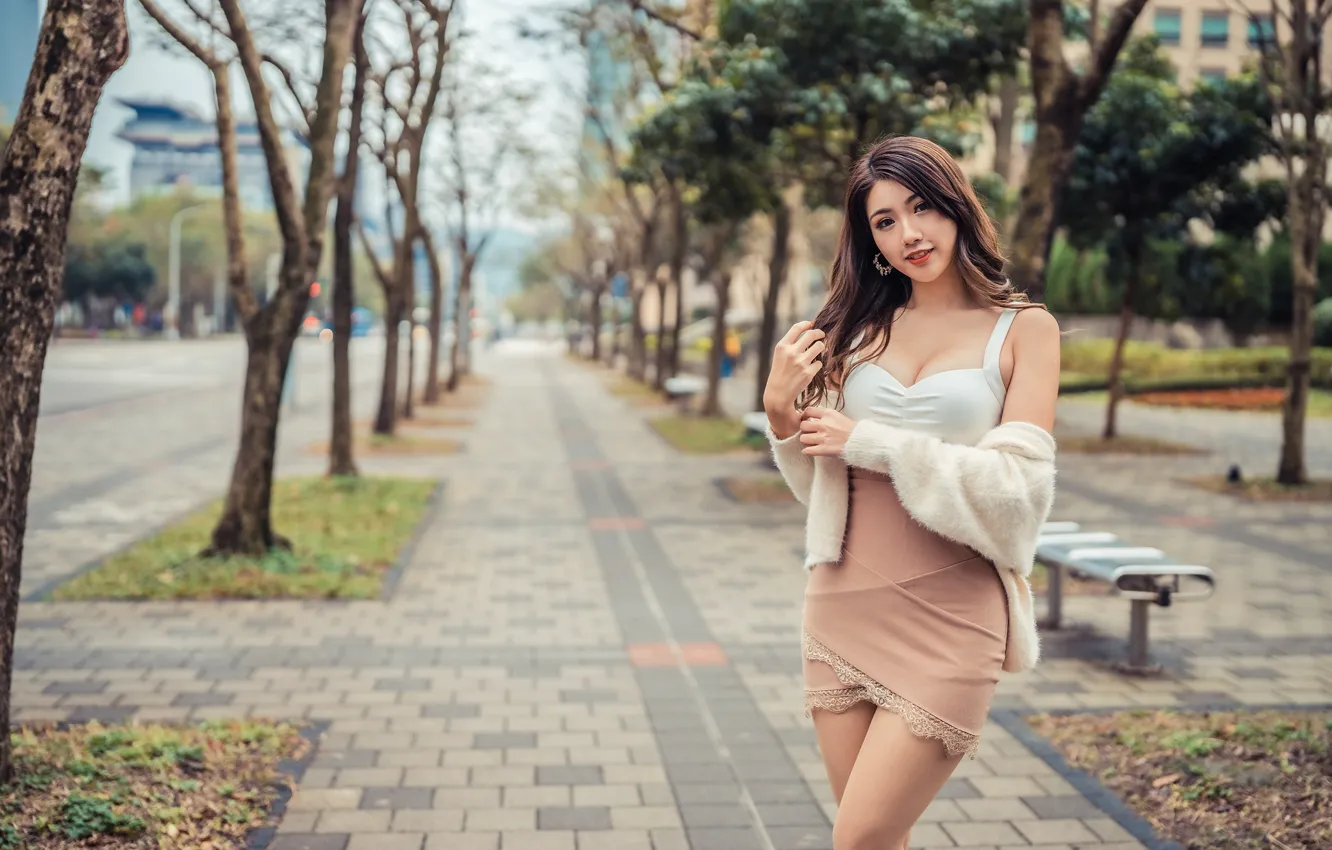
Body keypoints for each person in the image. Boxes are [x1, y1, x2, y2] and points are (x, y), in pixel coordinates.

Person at [762, 135, 1061, 850]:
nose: (908, 234)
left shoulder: (1025, 331)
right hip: (842, 602)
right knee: (875, 842)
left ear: (956, 205)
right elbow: (824, 484)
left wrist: (872, 441)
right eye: (884, 222)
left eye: (920, 207)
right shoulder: (852, 331)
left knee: (859, 836)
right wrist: (780, 417)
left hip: (955, 615)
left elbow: (1016, 495)